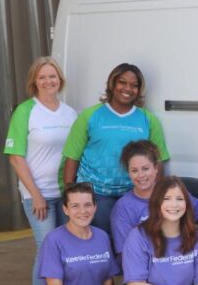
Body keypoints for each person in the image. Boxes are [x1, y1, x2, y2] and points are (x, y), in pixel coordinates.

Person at [62, 63, 170, 237]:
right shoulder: (89, 116)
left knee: (133, 241)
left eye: (134, 85)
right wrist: (70, 196)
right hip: (96, 193)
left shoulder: (148, 120)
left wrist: (153, 195)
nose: (128, 88)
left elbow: (159, 162)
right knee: (104, 241)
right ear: (112, 84)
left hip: (133, 192)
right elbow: (72, 157)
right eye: (122, 82)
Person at [3, 57, 78, 285]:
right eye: (43, 77)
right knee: (46, 250)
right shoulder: (26, 111)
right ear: (34, 81)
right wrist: (35, 194)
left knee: (67, 250)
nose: (48, 81)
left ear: (60, 80)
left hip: (66, 194)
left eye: (53, 76)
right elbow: (15, 157)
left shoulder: (69, 113)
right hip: (38, 195)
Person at [111, 140, 198, 263]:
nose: (141, 175)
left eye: (145, 168)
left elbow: (197, 208)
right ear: (128, 173)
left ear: (156, 169)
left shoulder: (172, 191)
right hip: (147, 266)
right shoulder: (123, 207)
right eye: (134, 170)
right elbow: (125, 252)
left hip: (181, 260)